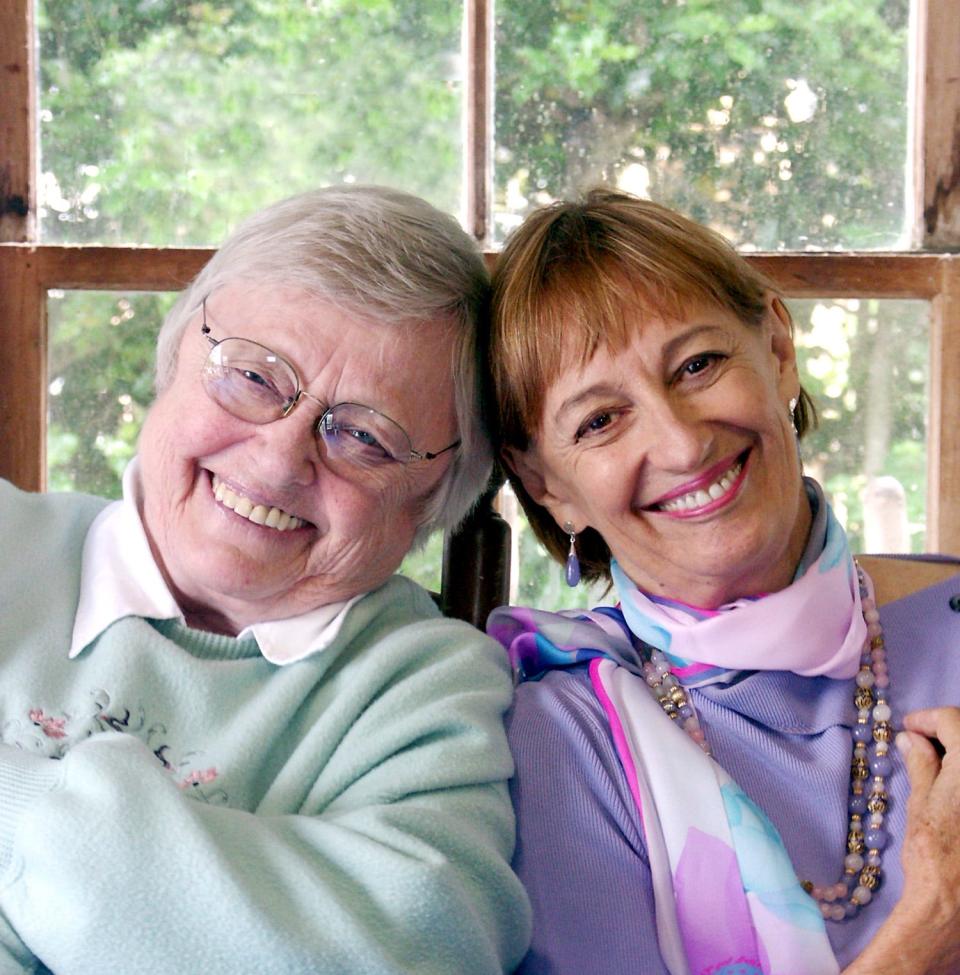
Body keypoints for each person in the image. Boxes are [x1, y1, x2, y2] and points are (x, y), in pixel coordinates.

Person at [0, 185, 531, 974]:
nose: (281, 459)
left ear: (436, 497)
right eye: (251, 375)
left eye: (363, 435)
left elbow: (419, 950)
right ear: (177, 349)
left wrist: (23, 807)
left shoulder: (428, 689)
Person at [483, 188, 960, 974]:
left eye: (697, 365)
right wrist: (930, 927)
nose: (679, 442)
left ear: (777, 348)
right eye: (600, 420)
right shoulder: (558, 734)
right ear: (546, 485)